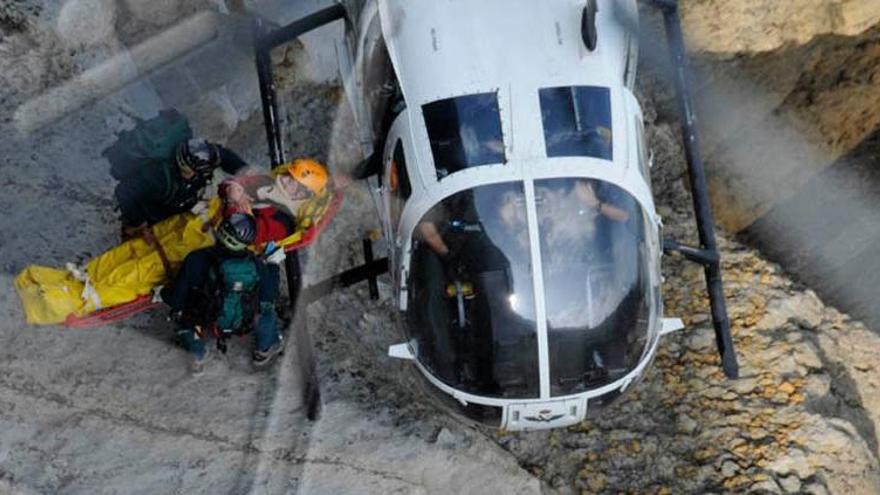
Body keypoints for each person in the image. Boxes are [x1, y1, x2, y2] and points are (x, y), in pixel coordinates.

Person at [158, 213, 284, 373]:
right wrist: (273, 265)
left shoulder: (196, 259)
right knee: (266, 310)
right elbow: (270, 293)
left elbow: (175, 299)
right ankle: (264, 350)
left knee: (186, 316)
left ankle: (196, 353)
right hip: (245, 321)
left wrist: (163, 292)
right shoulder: (255, 264)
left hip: (206, 318)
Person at [114, 137, 248, 239]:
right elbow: (124, 192)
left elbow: (223, 156)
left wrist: (247, 174)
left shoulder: (199, 151)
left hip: (177, 207)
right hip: (152, 215)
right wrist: (139, 222)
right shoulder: (157, 176)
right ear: (190, 169)